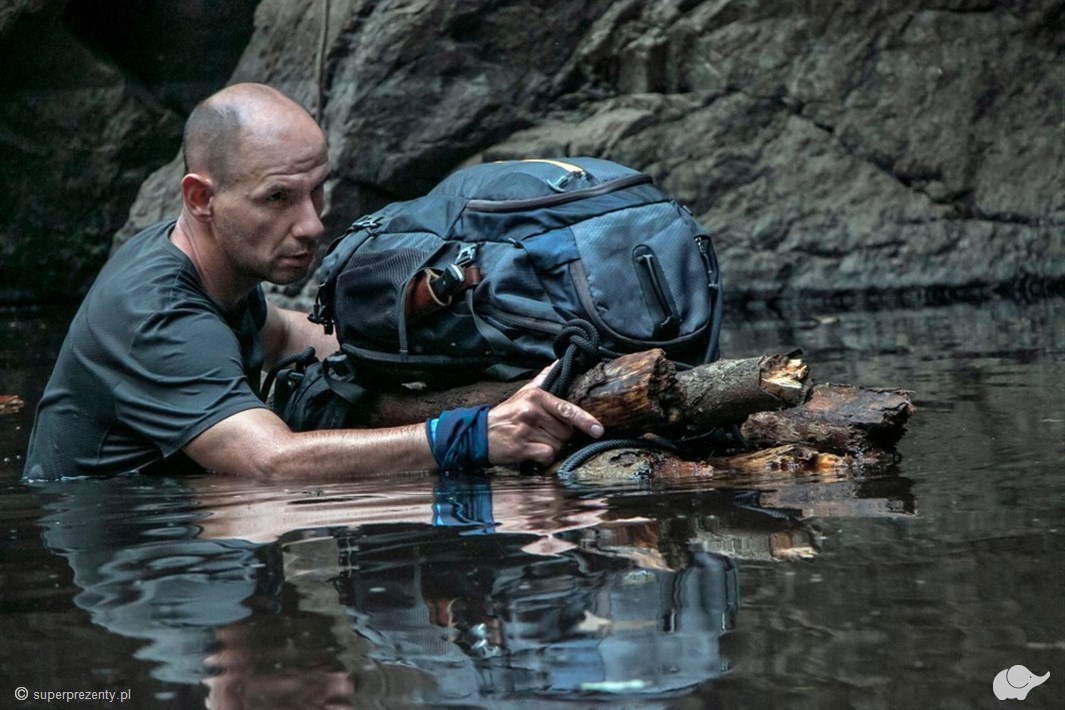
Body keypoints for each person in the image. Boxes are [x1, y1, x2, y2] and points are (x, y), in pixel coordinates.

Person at [23, 82, 603, 481]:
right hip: (131, 542)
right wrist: (472, 435)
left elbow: (281, 335)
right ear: (201, 198)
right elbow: (270, 461)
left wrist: (460, 353)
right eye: (278, 198)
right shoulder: (156, 311)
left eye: (316, 189)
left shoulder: (212, 265)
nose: (312, 224)